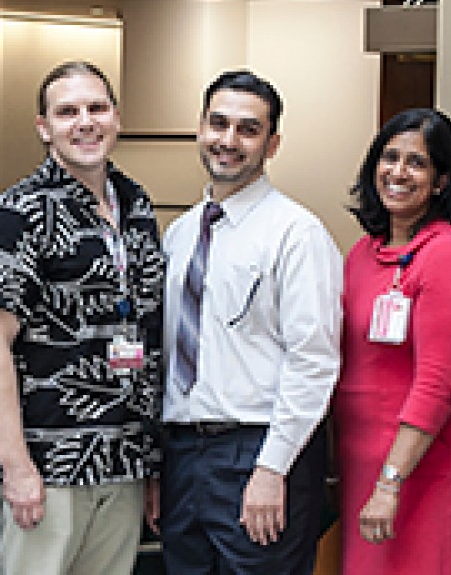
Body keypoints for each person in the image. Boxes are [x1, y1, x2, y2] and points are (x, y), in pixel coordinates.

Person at [0, 61, 164, 574]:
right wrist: (16, 468)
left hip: (122, 463)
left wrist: (150, 463)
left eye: (96, 108)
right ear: (43, 127)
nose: (85, 122)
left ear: (117, 116)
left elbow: (149, 332)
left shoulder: (137, 206)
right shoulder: (16, 215)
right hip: (48, 470)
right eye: (67, 111)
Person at [160, 69, 342, 574]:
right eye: (218, 124)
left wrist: (271, 467)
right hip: (182, 453)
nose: (228, 141)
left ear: (272, 142)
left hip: (258, 451)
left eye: (248, 129)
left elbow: (314, 363)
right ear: (200, 128)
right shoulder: (178, 235)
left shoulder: (296, 235)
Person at [334, 108, 451, 574]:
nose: (398, 172)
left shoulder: (448, 258)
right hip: (362, 471)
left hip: (419, 476)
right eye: (390, 157)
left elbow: (437, 385)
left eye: (417, 163)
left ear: (442, 180)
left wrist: (390, 481)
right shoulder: (363, 253)